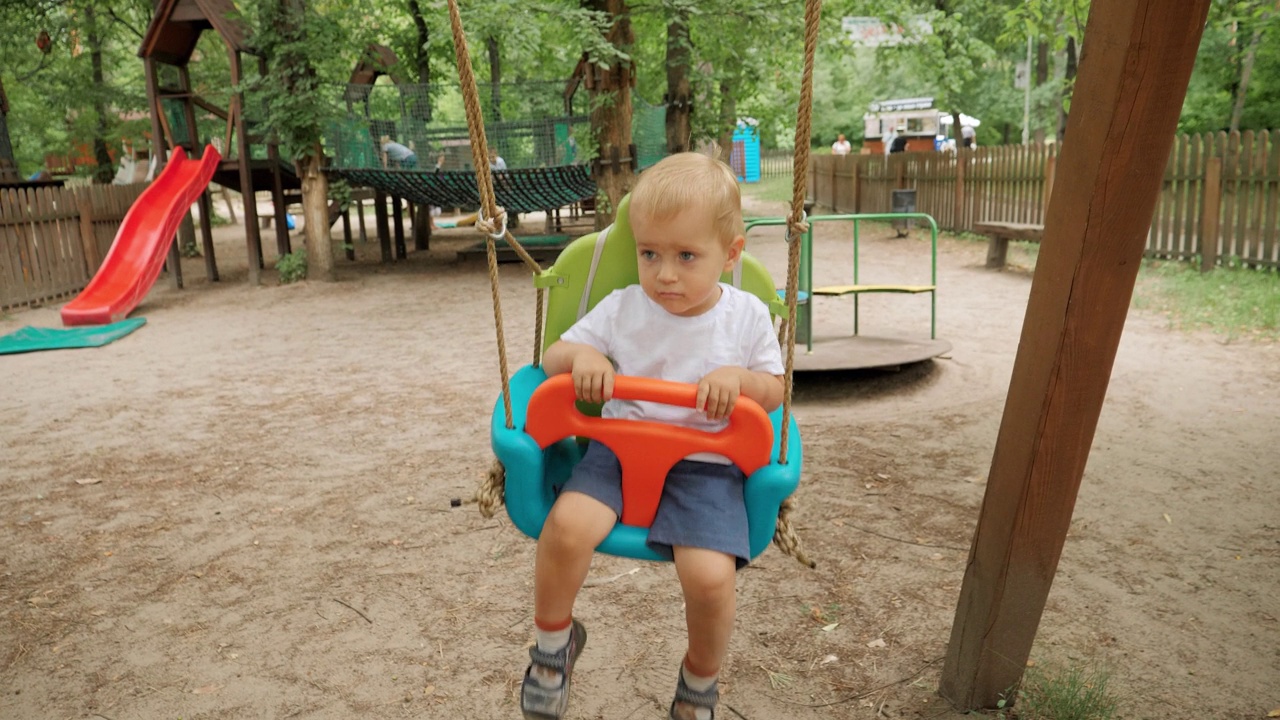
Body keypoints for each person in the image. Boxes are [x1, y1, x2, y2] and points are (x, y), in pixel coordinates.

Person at [520, 152, 785, 720]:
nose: (665, 274)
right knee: (565, 529)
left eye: (687, 256)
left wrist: (740, 382)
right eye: (650, 254)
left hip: (707, 463)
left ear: (730, 253)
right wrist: (585, 356)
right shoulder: (622, 309)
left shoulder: (747, 316)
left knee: (710, 578)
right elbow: (554, 354)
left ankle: (699, 681)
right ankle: (552, 646)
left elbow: (774, 388)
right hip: (617, 450)